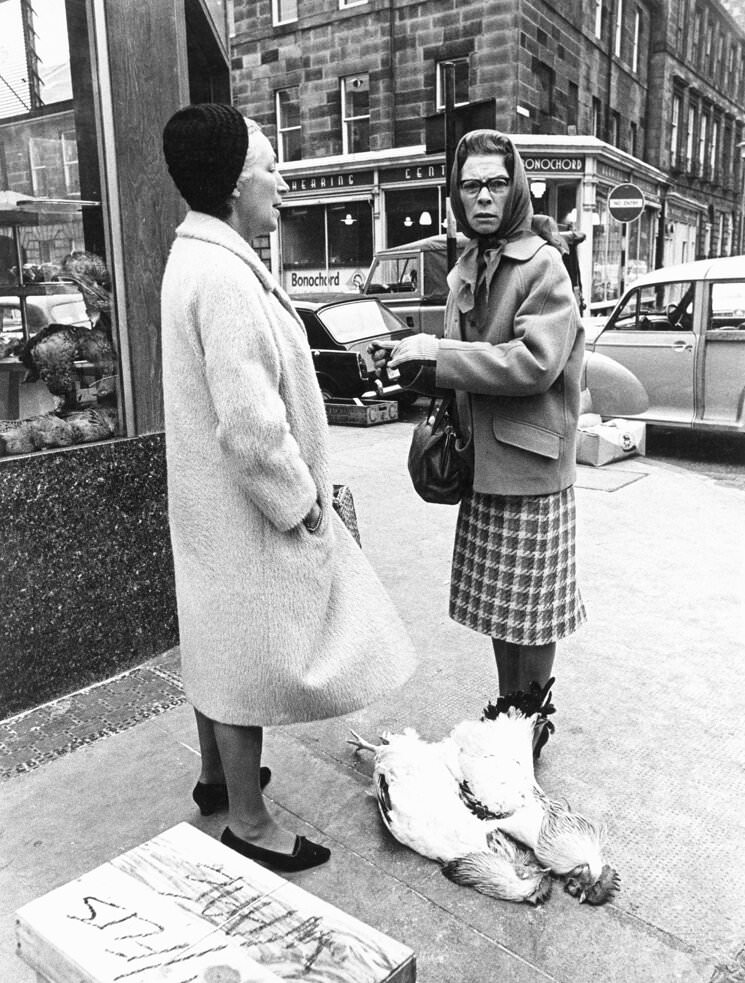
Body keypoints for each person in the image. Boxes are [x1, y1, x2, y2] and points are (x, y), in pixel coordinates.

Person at [160, 103, 417, 871]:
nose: (283, 183)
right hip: (243, 508)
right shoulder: (224, 276)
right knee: (245, 657)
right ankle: (249, 821)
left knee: (215, 640)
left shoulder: (195, 256)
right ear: (235, 186)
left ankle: (216, 779)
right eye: (270, 169)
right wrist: (300, 502)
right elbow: (250, 427)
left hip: (209, 503)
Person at [373, 130, 586, 757]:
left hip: (532, 467)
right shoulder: (468, 261)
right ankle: (507, 708)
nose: (484, 196)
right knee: (500, 606)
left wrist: (440, 353)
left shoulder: (543, 265)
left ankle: (530, 720)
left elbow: (535, 363)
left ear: (514, 187)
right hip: (483, 464)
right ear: (457, 194)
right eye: (471, 186)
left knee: (534, 612)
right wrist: (410, 362)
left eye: (496, 183)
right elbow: (463, 364)